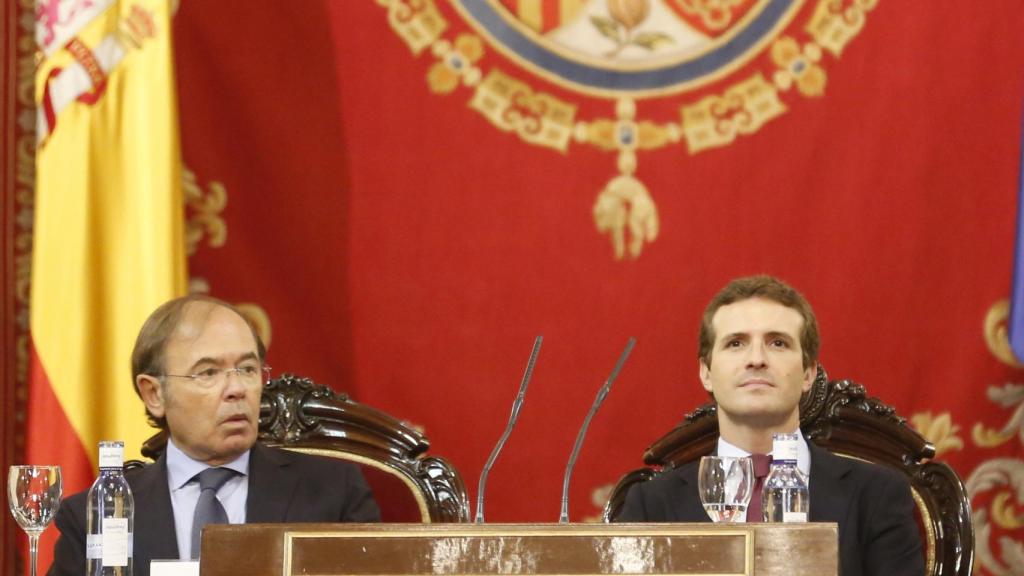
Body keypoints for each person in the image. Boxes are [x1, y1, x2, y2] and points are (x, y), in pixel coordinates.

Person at [49, 295, 379, 576]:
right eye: (208, 373)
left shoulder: (333, 492)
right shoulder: (96, 515)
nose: (237, 389)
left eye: (248, 370)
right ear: (154, 394)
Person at [618, 275, 924, 576]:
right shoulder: (651, 505)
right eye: (736, 343)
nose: (756, 359)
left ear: (808, 374)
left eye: (777, 343)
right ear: (706, 372)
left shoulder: (878, 494)